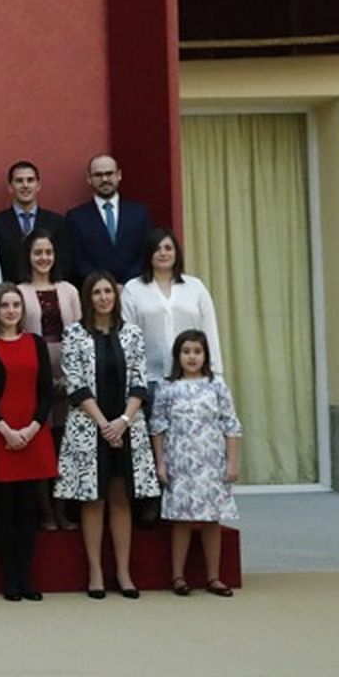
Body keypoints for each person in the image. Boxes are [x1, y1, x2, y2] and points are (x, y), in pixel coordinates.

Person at [56, 272, 158, 599]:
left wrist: (123, 421)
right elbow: (75, 383)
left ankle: (124, 573)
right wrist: (104, 424)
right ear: (89, 298)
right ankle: (96, 573)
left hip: (126, 426)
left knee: (120, 498)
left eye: (108, 292)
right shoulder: (74, 334)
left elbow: (140, 381)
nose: (103, 297)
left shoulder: (132, 334)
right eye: (97, 292)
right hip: (90, 426)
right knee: (93, 500)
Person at [0, 284, 58, 601]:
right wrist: (6, 430)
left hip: (32, 435)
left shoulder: (35, 343)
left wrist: (32, 428)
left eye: (15, 305)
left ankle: (26, 575)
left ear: (23, 310)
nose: (10, 310)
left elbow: (46, 391)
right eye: (4, 305)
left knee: (28, 512)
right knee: (3, 512)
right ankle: (9, 577)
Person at [150, 330, 241, 597]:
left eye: (197, 352)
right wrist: (161, 463)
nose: (192, 357)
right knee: (181, 520)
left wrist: (232, 462)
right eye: (186, 351)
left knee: (211, 519)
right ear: (178, 355)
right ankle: (178, 576)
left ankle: (214, 577)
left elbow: (231, 425)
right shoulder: (167, 387)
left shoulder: (216, 386)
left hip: (211, 461)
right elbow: (158, 426)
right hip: (179, 461)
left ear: (206, 355)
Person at [17, 227, 82, 530]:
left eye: (48, 252)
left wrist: (69, 378)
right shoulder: (18, 291)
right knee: (41, 446)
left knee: (65, 446)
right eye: (37, 252)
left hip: (70, 376)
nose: (43, 257)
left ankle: (63, 509)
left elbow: (80, 338)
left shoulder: (69, 290)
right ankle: (44, 512)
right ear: (28, 257)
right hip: (32, 375)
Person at [120, 228, 224, 390]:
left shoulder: (195, 287)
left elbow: (209, 331)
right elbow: (126, 339)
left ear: (177, 253)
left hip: (193, 380)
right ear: (148, 254)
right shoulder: (133, 289)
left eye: (168, 248)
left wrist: (215, 374)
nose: (163, 253)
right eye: (157, 249)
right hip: (149, 380)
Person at [65, 153, 154, 284]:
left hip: (135, 291)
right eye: (98, 175)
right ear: (89, 179)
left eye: (109, 173)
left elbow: (147, 254)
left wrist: (128, 285)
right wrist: (106, 285)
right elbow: (78, 261)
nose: (105, 179)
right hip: (94, 293)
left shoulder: (139, 214)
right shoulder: (76, 218)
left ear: (119, 175)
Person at [0, 161, 71, 284]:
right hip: (10, 295)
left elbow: (64, 263)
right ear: (10, 187)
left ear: (38, 185)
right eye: (19, 181)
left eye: (30, 180)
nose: (25, 185)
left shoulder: (57, 222)